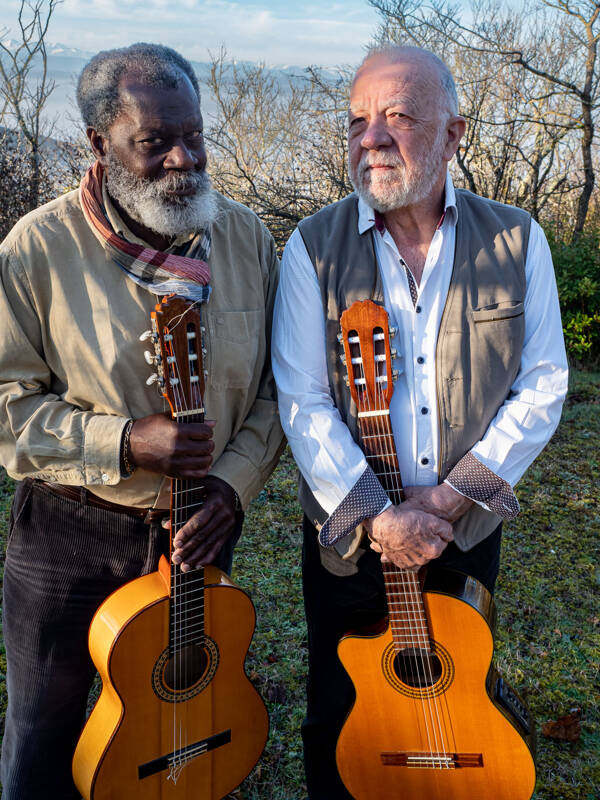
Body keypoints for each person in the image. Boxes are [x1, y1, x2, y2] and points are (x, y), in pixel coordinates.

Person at [272, 44, 568, 799]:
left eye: (397, 118)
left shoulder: (518, 238)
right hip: (350, 540)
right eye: (358, 120)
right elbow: (301, 400)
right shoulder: (312, 246)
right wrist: (380, 518)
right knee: (341, 711)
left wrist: (447, 500)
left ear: (454, 134)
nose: (371, 138)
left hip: (462, 530)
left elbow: (543, 384)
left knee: (458, 697)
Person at [0, 43, 284, 799]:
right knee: (42, 741)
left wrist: (232, 485)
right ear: (99, 143)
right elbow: (7, 408)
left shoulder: (248, 240)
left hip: (200, 535)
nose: (183, 160)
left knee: (179, 732)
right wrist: (124, 442)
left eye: (194, 135)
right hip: (69, 538)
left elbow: (277, 391)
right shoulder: (37, 250)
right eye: (154, 142)